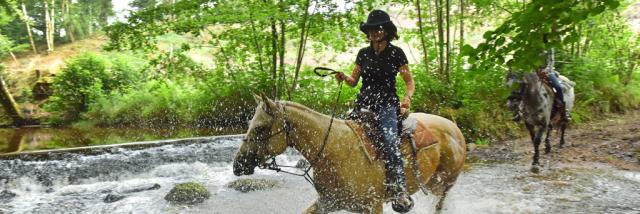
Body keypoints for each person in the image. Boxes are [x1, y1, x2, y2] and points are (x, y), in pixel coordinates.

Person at [334, 9, 415, 213]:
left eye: (379, 29)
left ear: (386, 31)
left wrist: (407, 99)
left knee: (389, 140)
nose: (375, 33)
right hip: (364, 103)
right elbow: (354, 82)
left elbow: (409, 81)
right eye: (371, 29)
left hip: (387, 104)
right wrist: (344, 77)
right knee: (343, 134)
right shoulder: (363, 53)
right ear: (368, 32)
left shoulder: (397, 53)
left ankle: (400, 189)